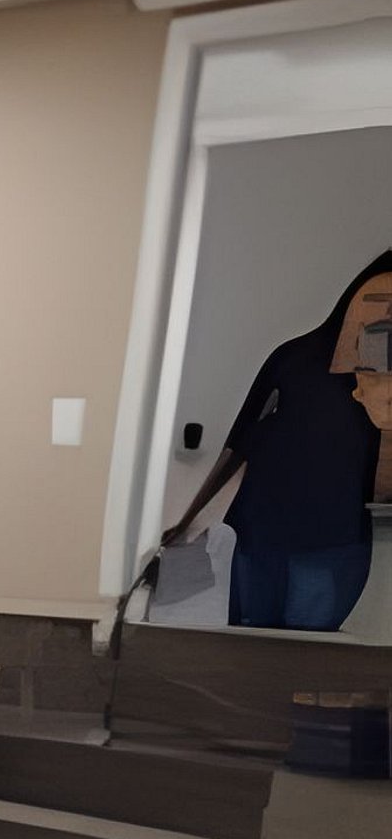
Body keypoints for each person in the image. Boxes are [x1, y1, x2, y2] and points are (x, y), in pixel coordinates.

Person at [164, 251, 392, 630]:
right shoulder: (295, 359)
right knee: (270, 642)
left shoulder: (305, 361)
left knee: (287, 645)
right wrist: (190, 518)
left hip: (319, 540)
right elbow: (237, 444)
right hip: (274, 535)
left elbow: (238, 444)